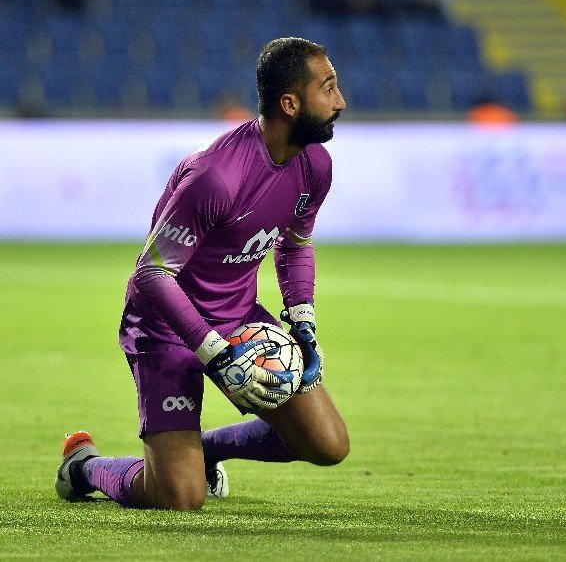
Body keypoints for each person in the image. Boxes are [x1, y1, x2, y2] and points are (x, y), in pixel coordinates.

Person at [54, 37, 349, 511]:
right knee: (179, 498)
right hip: (165, 327)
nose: (340, 101)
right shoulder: (217, 176)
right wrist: (212, 351)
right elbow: (152, 273)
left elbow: (294, 245)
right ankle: (83, 467)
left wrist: (304, 322)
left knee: (327, 444)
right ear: (290, 104)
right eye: (329, 88)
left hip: (237, 318)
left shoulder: (316, 165)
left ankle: (202, 450)